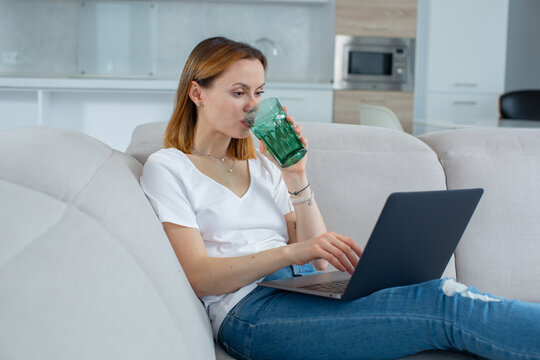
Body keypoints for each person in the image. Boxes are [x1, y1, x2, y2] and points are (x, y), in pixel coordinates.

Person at [140, 37, 540, 360]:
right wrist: (289, 254)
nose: (253, 106)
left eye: (259, 92)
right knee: (443, 304)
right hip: (248, 313)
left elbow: (316, 259)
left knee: (443, 289)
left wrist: (296, 175)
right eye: (239, 92)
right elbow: (200, 275)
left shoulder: (264, 166)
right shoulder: (169, 167)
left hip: (299, 287)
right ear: (198, 93)